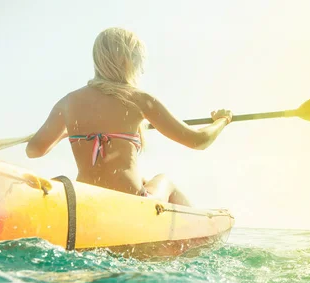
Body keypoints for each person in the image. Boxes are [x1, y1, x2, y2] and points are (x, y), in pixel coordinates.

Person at [25, 27, 233, 206]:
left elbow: (34, 150)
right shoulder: (139, 99)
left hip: (85, 199)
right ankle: (192, 235)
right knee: (165, 180)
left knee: (143, 178)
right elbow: (198, 141)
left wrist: (68, 132)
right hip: (132, 201)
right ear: (129, 61)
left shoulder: (68, 102)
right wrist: (222, 121)